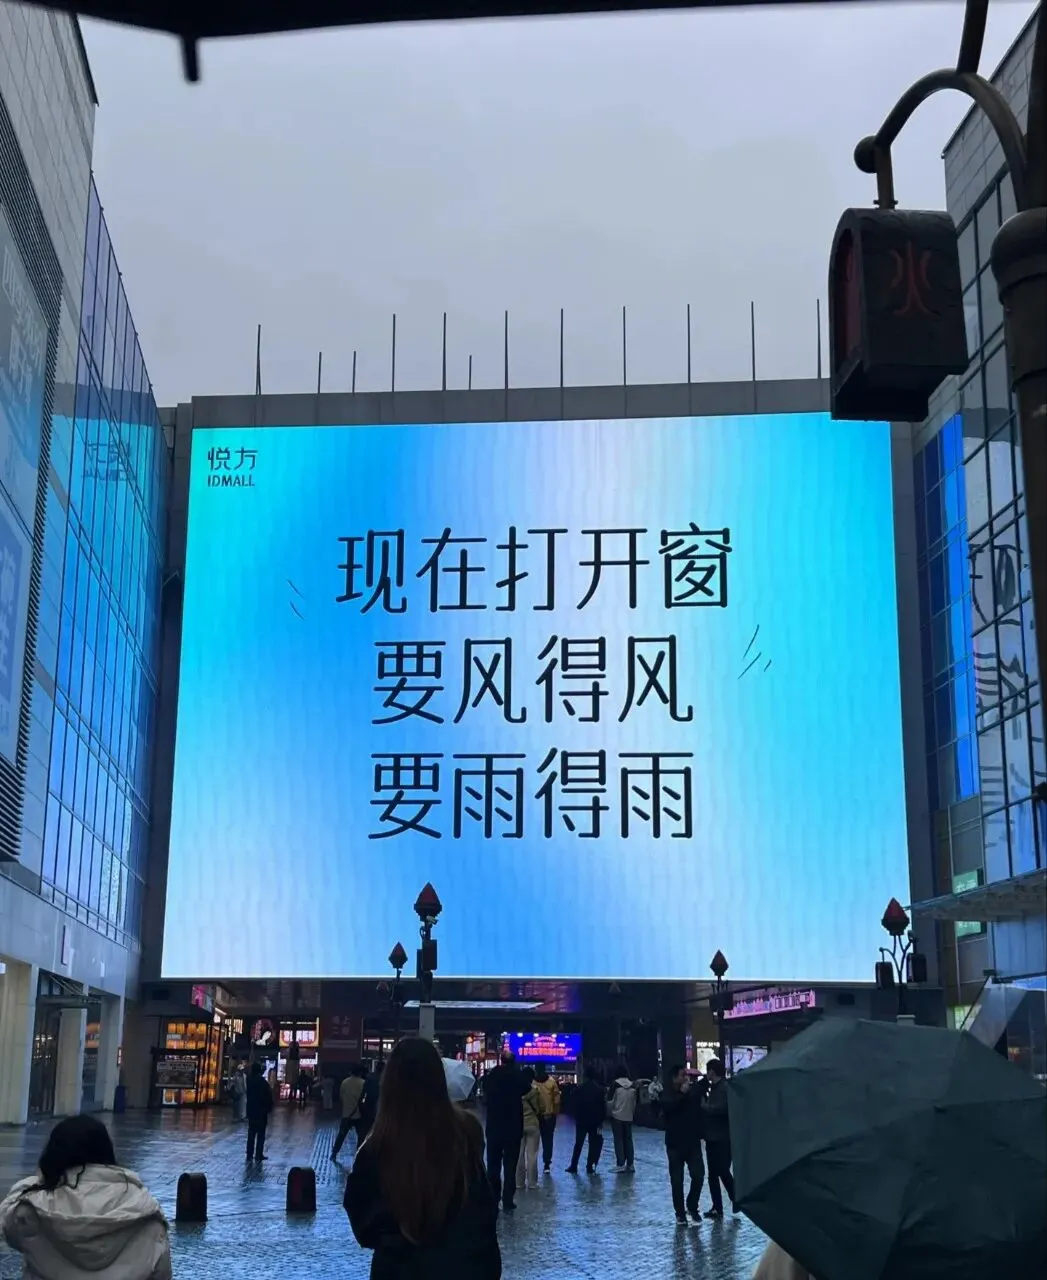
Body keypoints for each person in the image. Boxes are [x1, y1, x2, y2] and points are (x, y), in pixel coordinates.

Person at [344, 1036, 501, 1279]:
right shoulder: (466, 1131)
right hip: (461, 1267)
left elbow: (362, 1219)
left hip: (399, 1270)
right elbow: (482, 1204)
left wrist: (396, 1237)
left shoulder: (378, 1145)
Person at [0, 1114, 172, 1280]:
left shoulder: (32, 1208)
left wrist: (39, 1180)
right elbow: (161, 1271)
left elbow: (7, 1226)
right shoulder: (144, 1209)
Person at [481, 1049, 528, 1213]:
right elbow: (526, 1089)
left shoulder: (492, 1075)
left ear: (501, 1060)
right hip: (513, 1126)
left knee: (493, 1165)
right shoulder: (518, 1076)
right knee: (510, 1166)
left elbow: (484, 1088)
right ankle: (508, 1199)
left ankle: (493, 1197)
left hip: (494, 1125)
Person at [661, 1065, 706, 1224]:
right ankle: (680, 1213)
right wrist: (681, 1094)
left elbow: (700, 1106)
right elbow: (668, 1108)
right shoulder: (667, 1094)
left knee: (698, 1175)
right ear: (674, 1078)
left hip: (692, 1143)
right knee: (676, 1180)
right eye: (682, 1075)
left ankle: (692, 1205)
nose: (685, 1078)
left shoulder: (692, 1092)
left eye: (686, 1075)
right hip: (675, 1144)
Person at [701, 1058, 736, 1218]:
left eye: (707, 1070)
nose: (706, 1074)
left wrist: (706, 1107)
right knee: (713, 1174)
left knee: (722, 1170)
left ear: (712, 1071)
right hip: (711, 1136)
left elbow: (723, 1109)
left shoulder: (724, 1088)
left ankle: (735, 1197)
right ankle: (717, 1207)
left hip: (722, 1137)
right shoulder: (713, 1088)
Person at [566, 1064, 605, 1174]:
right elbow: (603, 1107)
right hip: (595, 1121)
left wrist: (576, 1116)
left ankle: (574, 1165)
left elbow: (573, 1104)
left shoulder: (580, 1089)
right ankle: (590, 1166)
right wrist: (601, 1121)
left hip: (582, 1120)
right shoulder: (599, 1090)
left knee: (578, 1143)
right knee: (593, 1144)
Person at [607, 1063, 639, 1172]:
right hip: (628, 1117)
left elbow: (610, 1101)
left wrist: (610, 1113)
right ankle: (630, 1164)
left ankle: (620, 1163)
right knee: (628, 1140)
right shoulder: (632, 1085)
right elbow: (634, 1103)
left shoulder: (615, 1084)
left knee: (618, 1140)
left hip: (617, 1117)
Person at [515, 1068, 542, 1192]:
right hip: (533, 1124)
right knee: (532, 1155)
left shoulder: (515, 1091)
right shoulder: (535, 1091)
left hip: (519, 1124)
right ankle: (532, 1182)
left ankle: (519, 1182)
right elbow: (541, 1107)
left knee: (519, 1155)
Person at [332, 1066, 366, 1161]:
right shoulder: (363, 1083)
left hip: (347, 1114)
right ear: (360, 1073)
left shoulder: (345, 1082)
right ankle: (359, 1154)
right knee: (361, 1136)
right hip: (359, 1114)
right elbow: (364, 1098)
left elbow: (341, 1095)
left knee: (341, 1135)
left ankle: (334, 1153)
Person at [533, 1066, 561, 1172]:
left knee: (533, 1142)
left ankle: (532, 1163)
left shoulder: (532, 1083)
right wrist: (555, 1114)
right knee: (548, 1141)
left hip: (535, 1116)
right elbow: (557, 1100)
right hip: (549, 1116)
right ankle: (547, 1164)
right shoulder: (552, 1082)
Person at [246, 1061, 274, 1161]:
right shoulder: (262, 1081)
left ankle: (249, 1153)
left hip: (251, 1109)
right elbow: (268, 1095)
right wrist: (269, 1107)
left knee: (251, 1133)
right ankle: (258, 1154)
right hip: (261, 1111)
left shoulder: (248, 1080)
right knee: (261, 1134)